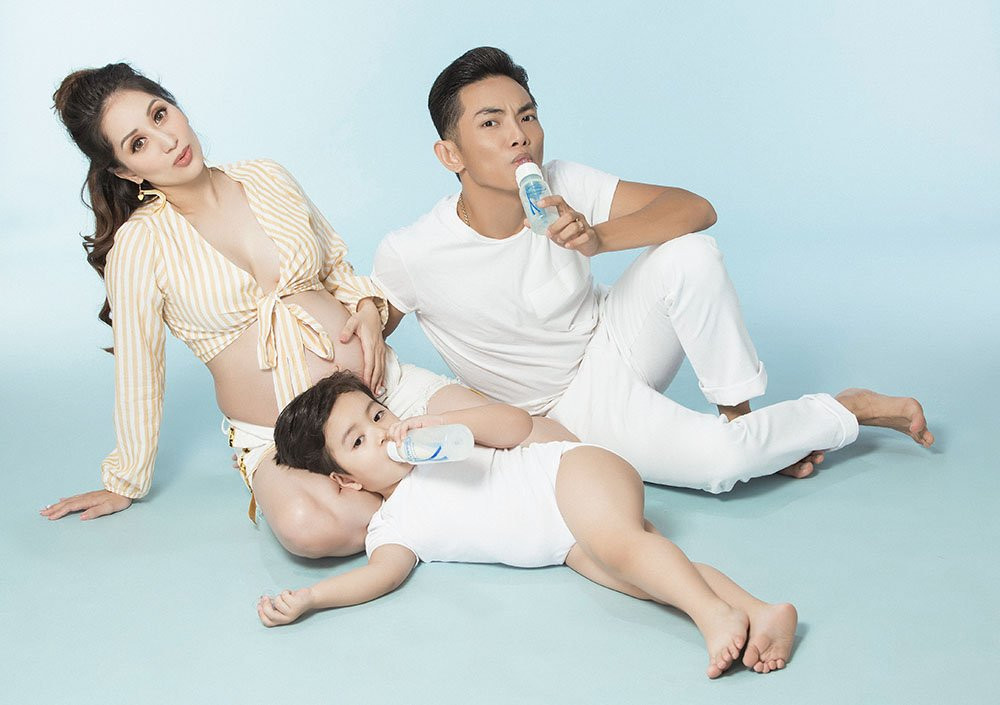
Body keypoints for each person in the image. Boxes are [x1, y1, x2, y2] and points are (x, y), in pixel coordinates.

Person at [41, 63, 571, 558]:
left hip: (379, 394)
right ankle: (452, 496)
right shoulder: (138, 246)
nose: (166, 140)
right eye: (138, 143)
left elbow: (337, 267)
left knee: (549, 442)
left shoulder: (266, 176)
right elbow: (139, 369)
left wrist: (367, 307)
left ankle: (414, 490)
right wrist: (125, 480)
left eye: (160, 114)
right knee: (309, 528)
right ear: (125, 170)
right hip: (281, 437)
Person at [372, 47, 935, 492]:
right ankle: (842, 411)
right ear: (451, 155)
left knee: (691, 252)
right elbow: (369, 338)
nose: (519, 135)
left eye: (528, 115)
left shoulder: (564, 181)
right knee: (721, 467)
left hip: (618, 339)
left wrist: (599, 239)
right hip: (568, 408)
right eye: (491, 123)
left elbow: (696, 208)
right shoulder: (413, 252)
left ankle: (742, 421)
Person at [258, 370, 803, 678]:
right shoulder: (392, 524)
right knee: (644, 575)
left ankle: (713, 617)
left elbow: (517, 424)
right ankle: (759, 611)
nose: (381, 433)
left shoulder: (444, 445)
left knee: (624, 547)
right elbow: (381, 574)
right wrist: (314, 598)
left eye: (378, 415)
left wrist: (445, 421)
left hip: (569, 473)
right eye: (359, 441)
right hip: (565, 543)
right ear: (346, 480)